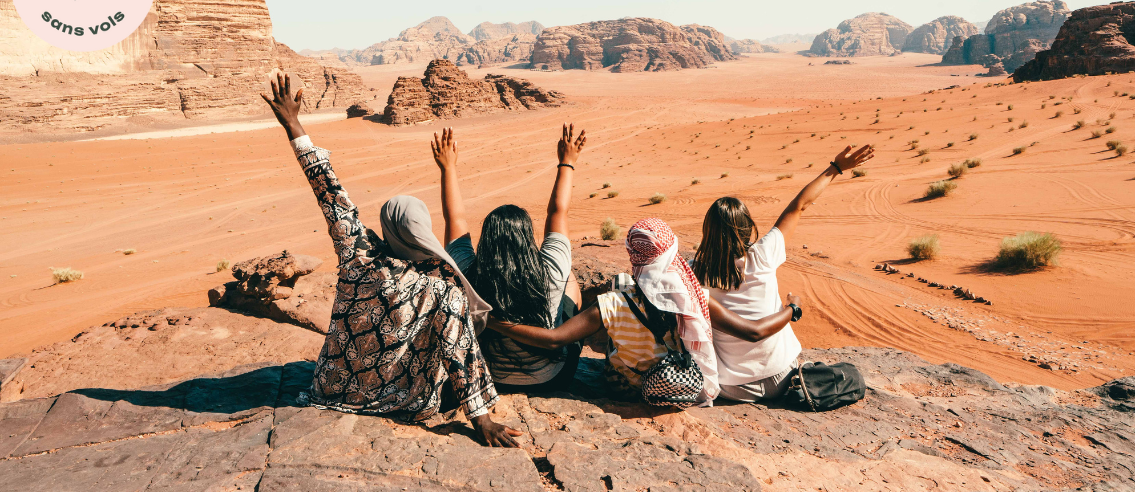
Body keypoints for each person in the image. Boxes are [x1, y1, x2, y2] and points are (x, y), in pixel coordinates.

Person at [258, 72, 522, 447]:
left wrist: (294, 124)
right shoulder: (442, 287)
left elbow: (329, 191)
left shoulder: (357, 255)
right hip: (407, 403)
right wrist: (481, 419)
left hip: (332, 392)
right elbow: (458, 348)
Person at [488, 218, 797, 407]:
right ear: (671, 253)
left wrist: (497, 323)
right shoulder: (694, 295)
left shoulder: (610, 305)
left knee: (618, 289)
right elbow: (752, 331)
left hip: (626, 389)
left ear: (634, 256)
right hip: (679, 383)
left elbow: (554, 340)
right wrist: (791, 309)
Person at [692, 144, 875, 403]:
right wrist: (835, 169)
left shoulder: (693, 273)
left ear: (707, 231)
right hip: (782, 378)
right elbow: (799, 206)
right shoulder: (763, 254)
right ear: (748, 229)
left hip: (732, 389)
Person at [432, 125, 586, 393]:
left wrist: (448, 168)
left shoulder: (469, 270)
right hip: (552, 378)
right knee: (568, 277)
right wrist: (567, 163)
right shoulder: (550, 270)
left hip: (492, 379)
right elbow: (558, 212)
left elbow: (454, 219)